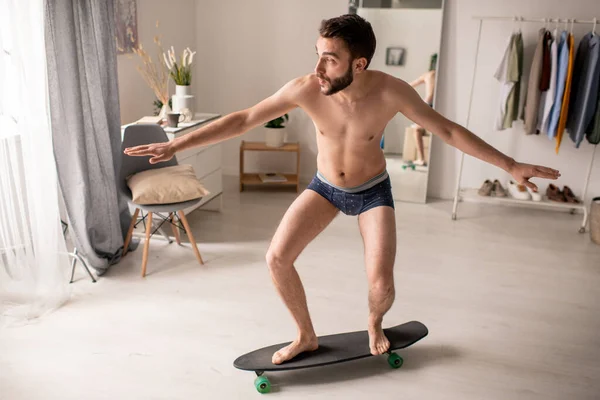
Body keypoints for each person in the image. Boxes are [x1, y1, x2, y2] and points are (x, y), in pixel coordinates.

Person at [124, 14, 560, 365]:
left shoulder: (392, 93)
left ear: (359, 64)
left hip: (373, 192)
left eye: (329, 59)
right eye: (317, 56)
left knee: (381, 286)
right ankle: (305, 336)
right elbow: (243, 119)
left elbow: (446, 129)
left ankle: (374, 323)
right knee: (276, 258)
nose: (317, 69)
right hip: (325, 188)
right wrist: (176, 142)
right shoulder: (306, 89)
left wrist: (509, 164)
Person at [407, 53, 438, 166]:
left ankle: (421, 159)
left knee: (417, 130)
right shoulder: (444, 75)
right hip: (439, 105)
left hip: (429, 104)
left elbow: (410, 85)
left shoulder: (428, 74)